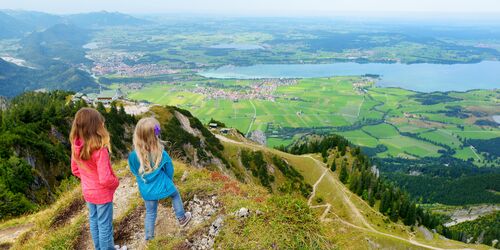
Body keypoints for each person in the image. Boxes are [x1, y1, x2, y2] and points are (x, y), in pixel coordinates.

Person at [128, 117, 191, 241]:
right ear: (156, 136)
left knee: (151, 213)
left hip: (146, 189)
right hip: (164, 184)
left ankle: (149, 238)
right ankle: (182, 218)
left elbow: (134, 171)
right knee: (175, 195)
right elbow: (169, 170)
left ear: (137, 135)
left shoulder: (133, 156)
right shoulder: (162, 153)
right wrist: (168, 181)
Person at [70, 108, 120, 250]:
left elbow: (75, 169)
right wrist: (115, 182)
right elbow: (105, 179)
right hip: (102, 194)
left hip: (88, 191)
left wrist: (88, 179)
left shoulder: (76, 145)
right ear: (95, 127)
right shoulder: (100, 149)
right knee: (105, 225)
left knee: (94, 220)